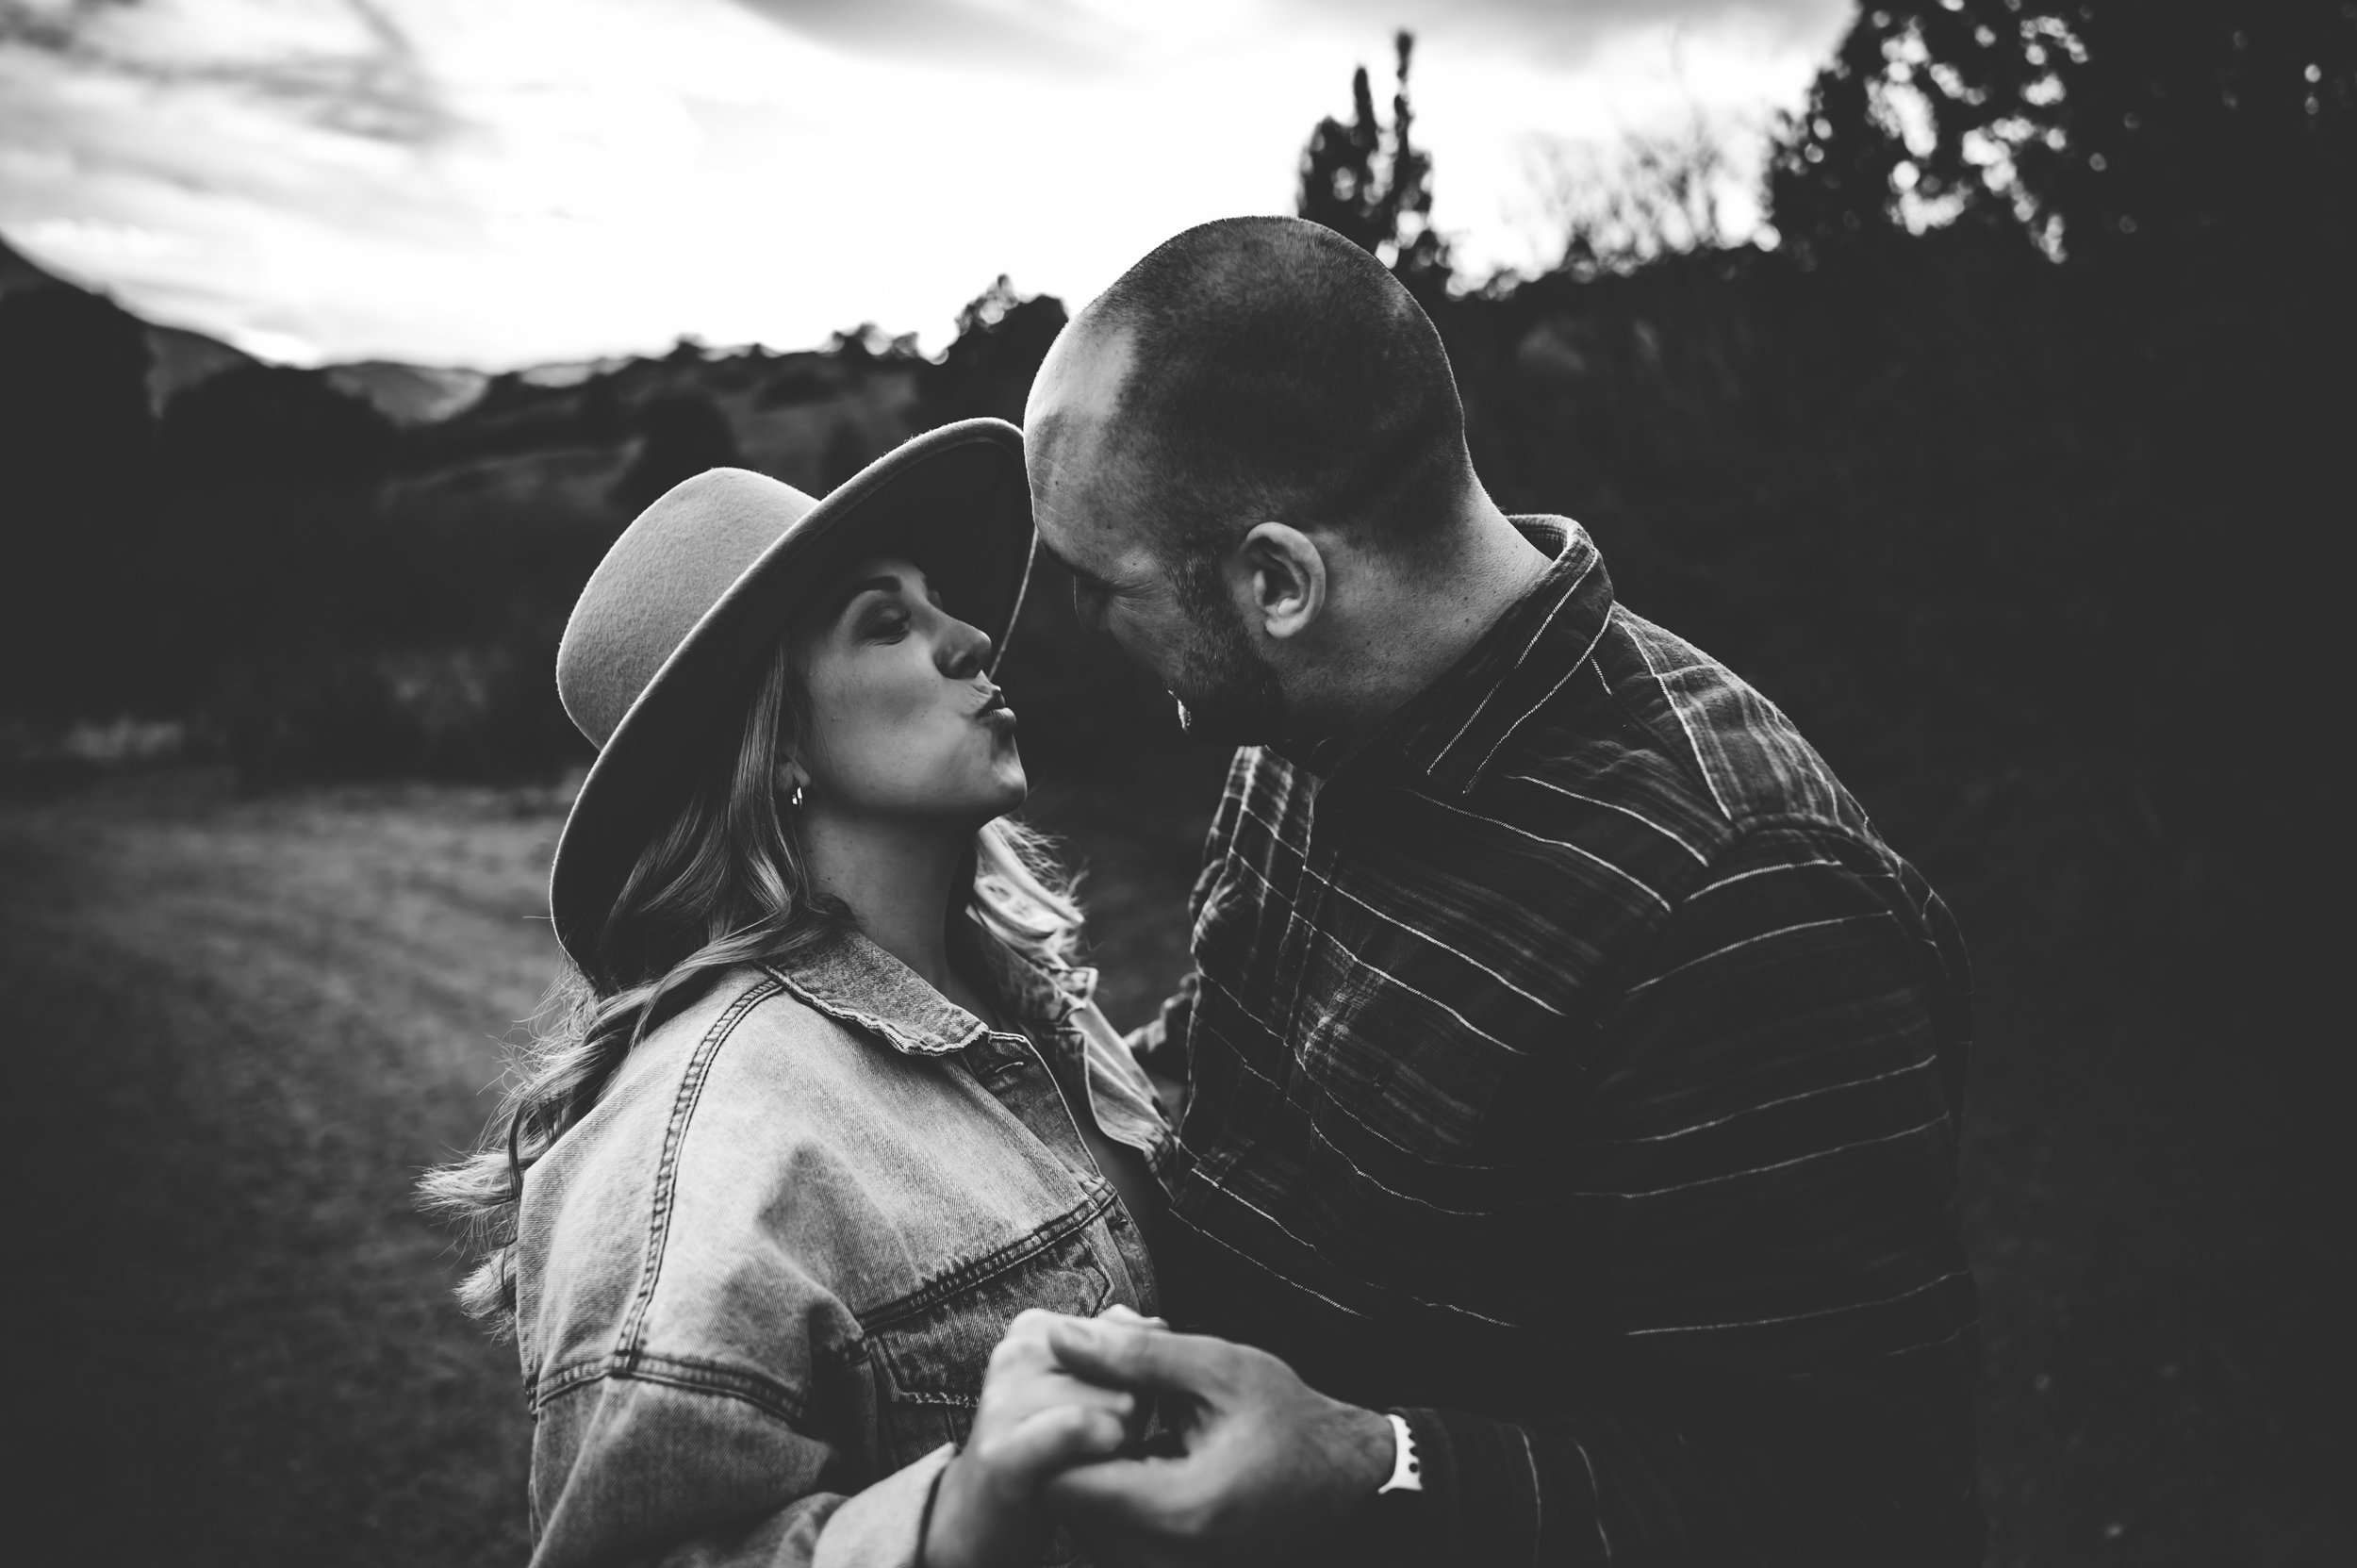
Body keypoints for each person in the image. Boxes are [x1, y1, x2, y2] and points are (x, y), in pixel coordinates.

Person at [1017, 217, 1982, 1564]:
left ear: (1280, 580)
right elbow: (1234, 1077)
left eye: (1092, 584)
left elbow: (1848, 1500)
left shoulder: (1738, 895)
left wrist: (1379, 1465)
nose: (1061, 626)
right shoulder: (1298, 731)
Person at [421, 421, 1174, 1568]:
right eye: (887, 621)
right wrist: (954, 1515)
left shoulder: (1034, 999)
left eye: (940, 604)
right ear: (772, 744)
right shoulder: (704, 1141)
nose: (972, 638)